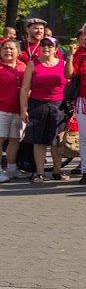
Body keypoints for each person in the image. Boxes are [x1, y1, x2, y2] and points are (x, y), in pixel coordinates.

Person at [18, 37, 68, 183]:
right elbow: (25, 88)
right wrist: (23, 109)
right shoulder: (32, 64)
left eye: (50, 45)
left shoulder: (63, 64)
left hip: (59, 105)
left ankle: (57, 171)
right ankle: (39, 173)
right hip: (38, 105)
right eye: (43, 45)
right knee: (38, 141)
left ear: (55, 48)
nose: (46, 48)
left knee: (56, 141)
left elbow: (69, 87)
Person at [0, 40, 23, 183]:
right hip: (1, 109)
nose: (8, 51)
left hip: (19, 110)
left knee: (15, 140)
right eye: (5, 48)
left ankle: (12, 168)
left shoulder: (23, 66)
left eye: (11, 48)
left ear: (18, 52)